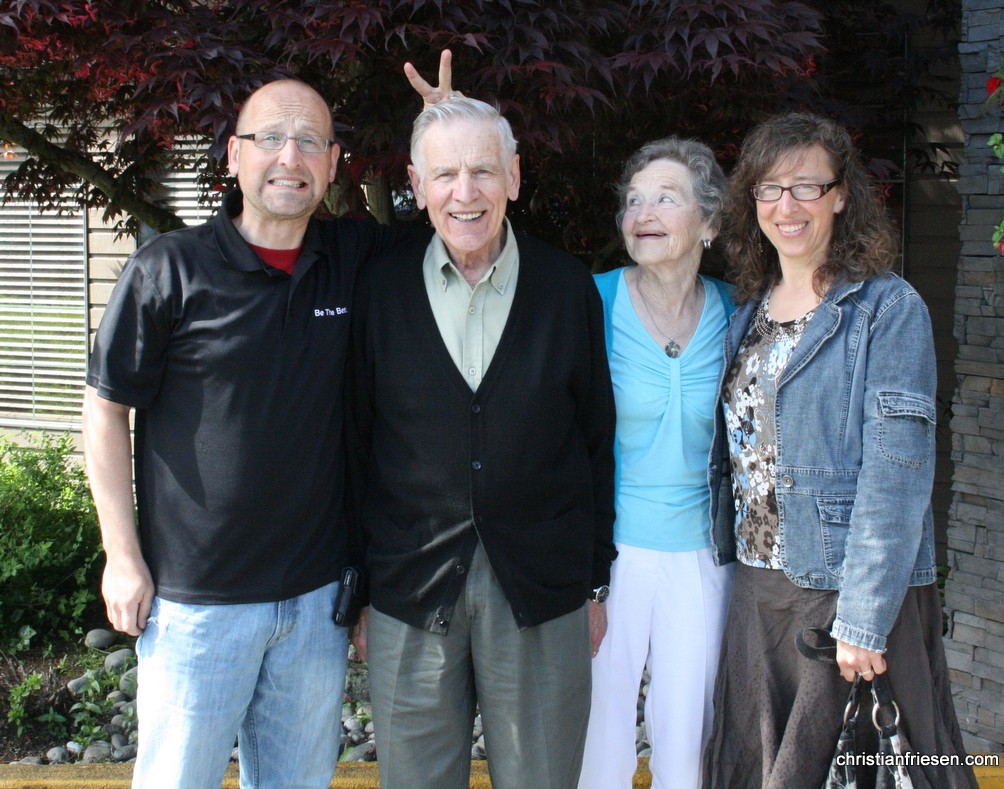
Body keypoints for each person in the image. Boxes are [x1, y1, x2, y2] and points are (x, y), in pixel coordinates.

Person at [81, 64, 451, 789]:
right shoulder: (168, 271)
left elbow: (454, 218)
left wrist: (443, 126)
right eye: (270, 138)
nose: (290, 156)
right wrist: (121, 555)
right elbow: (104, 408)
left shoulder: (354, 259)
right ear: (234, 154)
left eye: (310, 141)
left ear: (334, 164)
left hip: (315, 606)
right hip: (195, 606)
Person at [346, 96, 616, 789]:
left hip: (542, 591)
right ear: (415, 184)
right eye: (444, 174)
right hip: (410, 590)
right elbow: (357, 446)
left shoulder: (566, 288)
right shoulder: (380, 289)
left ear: (514, 177)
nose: (464, 193)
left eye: (483, 171)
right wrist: (362, 591)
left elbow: (595, 441)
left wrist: (593, 580)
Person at [702, 112, 978, 789]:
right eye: (770, 188)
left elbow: (897, 475)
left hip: (842, 592)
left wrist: (863, 617)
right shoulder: (749, 313)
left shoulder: (887, 309)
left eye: (807, 186)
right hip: (759, 590)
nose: (787, 205)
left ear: (842, 195)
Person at [577, 137, 735, 789]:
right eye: (634, 200)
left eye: (666, 199)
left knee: (689, 742)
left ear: (710, 221)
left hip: (702, 556)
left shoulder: (738, 312)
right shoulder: (589, 302)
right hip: (606, 556)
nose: (642, 213)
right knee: (596, 741)